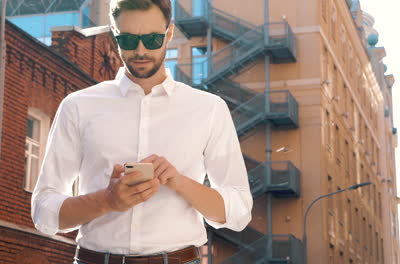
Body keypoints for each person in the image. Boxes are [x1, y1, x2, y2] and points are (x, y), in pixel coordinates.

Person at [31, 0, 253, 263]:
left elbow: (238, 211)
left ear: (169, 34)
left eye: (151, 39)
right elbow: (44, 213)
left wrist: (178, 181)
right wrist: (107, 200)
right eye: (127, 40)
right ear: (115, 33)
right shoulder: (78, 106)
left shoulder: (209, 109)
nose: (140, 50)